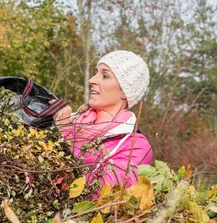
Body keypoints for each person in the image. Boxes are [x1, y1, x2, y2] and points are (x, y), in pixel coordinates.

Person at [54, 50, 153, 191]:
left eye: (105, 76)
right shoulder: (71, 120)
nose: (92, 80)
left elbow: (102, 192)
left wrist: (61, 136)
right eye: (96, 72)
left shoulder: (135, 146)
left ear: (125, 92)